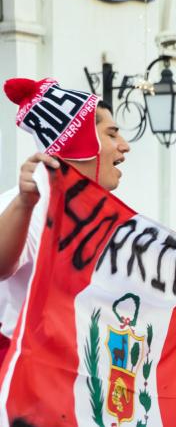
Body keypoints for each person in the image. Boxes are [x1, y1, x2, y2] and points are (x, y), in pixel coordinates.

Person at [0, 78, 130, 363]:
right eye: (112, 134)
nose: (125, 146)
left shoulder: (101, 215)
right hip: (24, 376)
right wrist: (24, 203)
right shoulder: (27, 202)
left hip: (76, 375)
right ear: (80, 141)